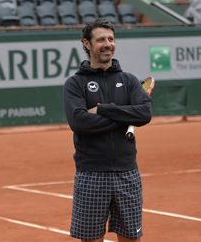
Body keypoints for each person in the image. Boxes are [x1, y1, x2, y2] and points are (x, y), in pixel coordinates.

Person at [63, 18, 152, 242]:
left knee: (131, 238)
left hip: (127, 173)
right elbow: (80, 122)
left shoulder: (129, 80)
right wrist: (123, 116)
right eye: (101, 39)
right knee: (91, 239)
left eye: (111, 39)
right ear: (87, 44)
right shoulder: (75, 84)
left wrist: (103, 109)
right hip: (92, 174)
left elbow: (144, 115)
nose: (108, 44)